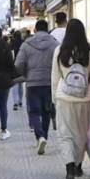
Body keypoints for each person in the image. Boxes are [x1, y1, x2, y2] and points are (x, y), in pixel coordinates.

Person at [51, 19, 90, 179]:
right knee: (82, 134)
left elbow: (55, 77)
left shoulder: (60, 50)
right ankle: (78, 165)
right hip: (87, 98)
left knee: (65, 134)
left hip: (64, 97)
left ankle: (70, 168)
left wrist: (53, 99)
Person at [14, 19, 59, 155]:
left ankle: (39, 136)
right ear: (47, 29)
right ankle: (44, 136)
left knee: (33, 111)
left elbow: (18, 64)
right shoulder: (55, 44)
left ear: (35, 30)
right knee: (46, 111)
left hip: (32, 83)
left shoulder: (27, 44)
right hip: (49, 83)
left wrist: (25, 74)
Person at [10, 30, 24, 111]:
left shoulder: (12, 43)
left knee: (14, 84)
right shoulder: (23, 43)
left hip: (14, 65)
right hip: (22, 65)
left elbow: (11, 54)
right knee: (21, 84)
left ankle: (15, 102)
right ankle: (20, 101)